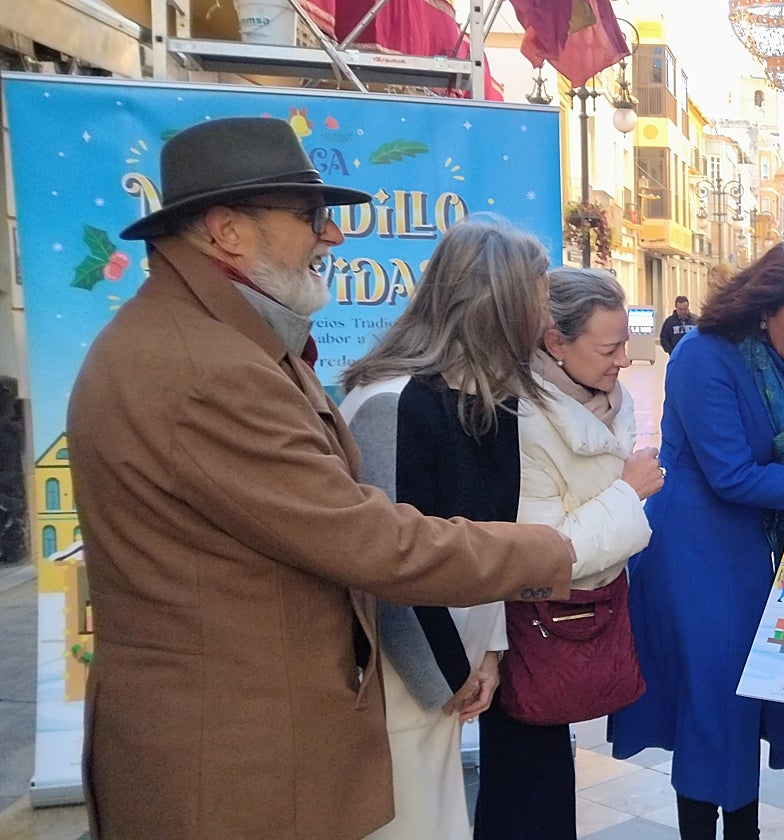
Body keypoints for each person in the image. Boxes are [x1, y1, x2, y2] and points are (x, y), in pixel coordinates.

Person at [66, 118, 574, 840]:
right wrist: (556, 550)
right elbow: (371, 540)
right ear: (225, 230)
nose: (331, 236)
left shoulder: (212, 344)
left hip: (247, 744)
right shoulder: (203, 370)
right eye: (311, 216)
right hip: (232, 766)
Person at [609, 240, 784, 839]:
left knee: (743, 691)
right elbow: (731, 473)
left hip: (750, 544)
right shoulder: (702, 358)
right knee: (715, 695)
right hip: (695, 545)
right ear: (764, 307)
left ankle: (742, 828)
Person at [337, 216, 557, 839]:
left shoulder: (490, 396)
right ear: (498, 305)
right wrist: (450, 676)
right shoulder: (391, 402)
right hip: (400, 677)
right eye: (535, 301)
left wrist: (487, 651)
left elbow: (484, 536)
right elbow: (387, 568)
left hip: (448, 666)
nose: (544, 323)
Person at [473, 267, 663, 839]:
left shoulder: (604, 400)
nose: (623, 360)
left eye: (625, 343)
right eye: (609, 347)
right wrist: (628, 495)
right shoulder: (521, 420)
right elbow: (543, 552)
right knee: (525, 788)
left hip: (582, 619)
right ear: (555, 343)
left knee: (551, 781)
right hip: (535, 627)